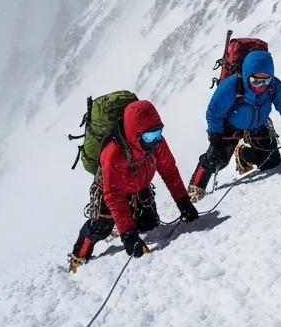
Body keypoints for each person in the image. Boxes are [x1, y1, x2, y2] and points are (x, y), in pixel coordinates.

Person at [70, 99, 198, 270]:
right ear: (135, 133)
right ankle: (78, 258)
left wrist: (183, 201)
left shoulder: (156, 142)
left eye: (158, 133)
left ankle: (123, 223)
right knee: (100, 228)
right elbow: (113, 195)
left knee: (149, 225)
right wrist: (128, 234)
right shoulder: (114, 151)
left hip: (139, 187)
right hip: (108, 190)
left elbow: (168, 170)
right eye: (149, 136)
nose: (155, 140)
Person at [188, 49, 281, 200]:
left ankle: (243, 154)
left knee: (271, 162)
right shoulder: (233, 85)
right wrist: (216, 140)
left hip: (258, 124)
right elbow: (214, 112)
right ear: (247, 75)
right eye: (256, 81)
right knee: (216, 159)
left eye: (265, 80)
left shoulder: (274, 86)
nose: (261, 86)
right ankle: (195, 189)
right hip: (231, 125)